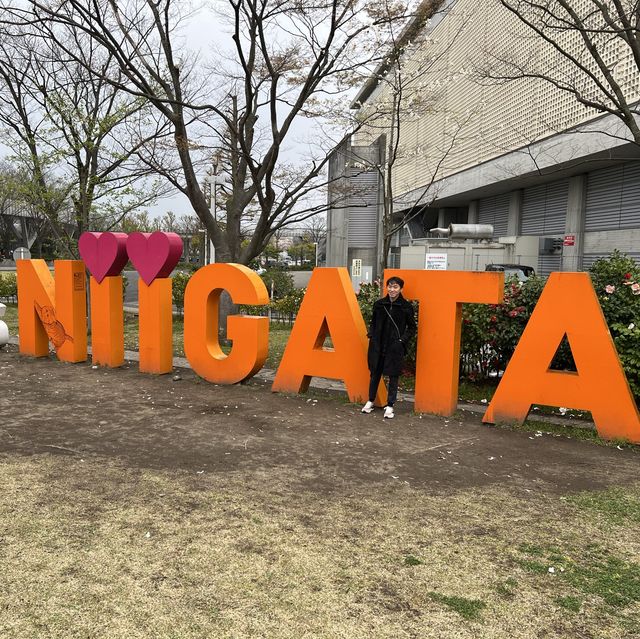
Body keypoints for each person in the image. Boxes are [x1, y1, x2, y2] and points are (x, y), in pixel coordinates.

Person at [362, 276, 416, 419]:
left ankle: (390, 405)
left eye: (395, 287)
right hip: (378, 345)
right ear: (387, 287)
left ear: (401, 289)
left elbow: (412, 328)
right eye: (390, 286)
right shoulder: (379, 304)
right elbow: (373, 322)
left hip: (395, 347)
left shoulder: (406, 307)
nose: (392, 290)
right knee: (375, 373)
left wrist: (401, 341)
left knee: (393, 376)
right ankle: (370, 400)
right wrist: (372, 335)